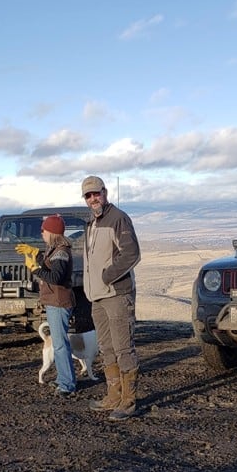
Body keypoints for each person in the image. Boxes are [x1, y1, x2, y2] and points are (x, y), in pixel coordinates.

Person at [80, 175, 141, 420]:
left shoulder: (118, 219)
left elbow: (132, 253)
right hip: (96, 296)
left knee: (123, 348)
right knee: (106, 348)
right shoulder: (91, 223)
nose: (94, 198)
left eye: (97, 193)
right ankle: (113, 396)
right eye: (89, 195)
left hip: (116, 293)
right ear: (85, 199)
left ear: (105, 192)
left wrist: (107, 276)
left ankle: (128, 401)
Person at [16, 214, 77, 397]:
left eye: (43, 230)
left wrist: (35, 269)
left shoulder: (61, 252)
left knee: (59, 344)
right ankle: (62, 379)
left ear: (51, 231)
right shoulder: (56, 249)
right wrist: (37, 253)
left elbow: (55, 277)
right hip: (54, 301)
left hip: (58, 302)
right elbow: (52, 266)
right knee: (58, 343)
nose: (41, 232)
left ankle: (67, 384)